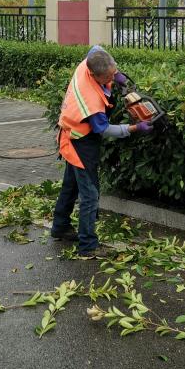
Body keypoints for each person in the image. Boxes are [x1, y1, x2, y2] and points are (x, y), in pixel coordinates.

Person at [51, 46, 153, 256]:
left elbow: (96, 48)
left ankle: (59, 227)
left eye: (113, 72)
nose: (111, 78)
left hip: (70, 133)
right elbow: (102, 128)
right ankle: (88, 245)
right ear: (96, 76)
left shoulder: (89, 60)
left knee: (70, 186)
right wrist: (134, 128)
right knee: (90, 195)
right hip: (79, 142)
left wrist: (117, 76)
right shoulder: (92, 101)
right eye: (107, 77)